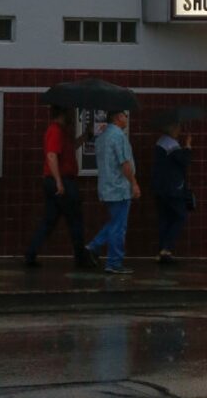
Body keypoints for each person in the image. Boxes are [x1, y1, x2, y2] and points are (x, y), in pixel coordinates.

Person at [25, 106, 95, 267]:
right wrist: (59, 181)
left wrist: (86, 135)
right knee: (75, 218)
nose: (73, 115)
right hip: (62, 180)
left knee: (49, 220)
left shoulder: (62, 132)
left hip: (56, 180)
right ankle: (80, 257)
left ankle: (31, 253)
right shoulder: (55, 130)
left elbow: (70, 148)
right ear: (63, 113)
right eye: (71, 112)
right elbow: (51, 155)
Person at [85, 109, 140, 275]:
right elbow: (125, 164)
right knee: (119, 227)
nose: (126, 118)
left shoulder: (102, 136)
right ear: (117, 118)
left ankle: (92, 247)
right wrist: (134, 184)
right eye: (124, 115)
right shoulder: (118, 136)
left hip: (106, 187)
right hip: (119, 188)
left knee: (115, 222)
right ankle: (114, 262)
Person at [152, 112, 193, 264]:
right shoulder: (171, 144)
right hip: (172, 189)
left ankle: (162, 251)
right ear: (172, 128)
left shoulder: (160, 142)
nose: (180, 130)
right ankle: (166, 248)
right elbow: (184, 161)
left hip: (159, 188)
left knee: (164, 218)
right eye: (178, 127)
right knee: (180, 216)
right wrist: (188, 146)